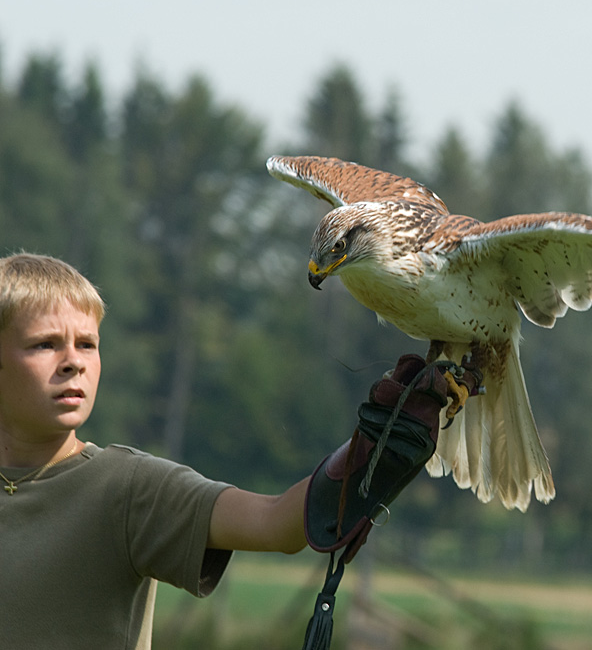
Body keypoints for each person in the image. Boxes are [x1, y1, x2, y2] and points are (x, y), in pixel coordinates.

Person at [0, 252, 477, 650]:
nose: (73, 363)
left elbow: (276, 523)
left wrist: (372, 451)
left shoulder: (124, 488)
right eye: (45, 345)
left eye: (87, 344)